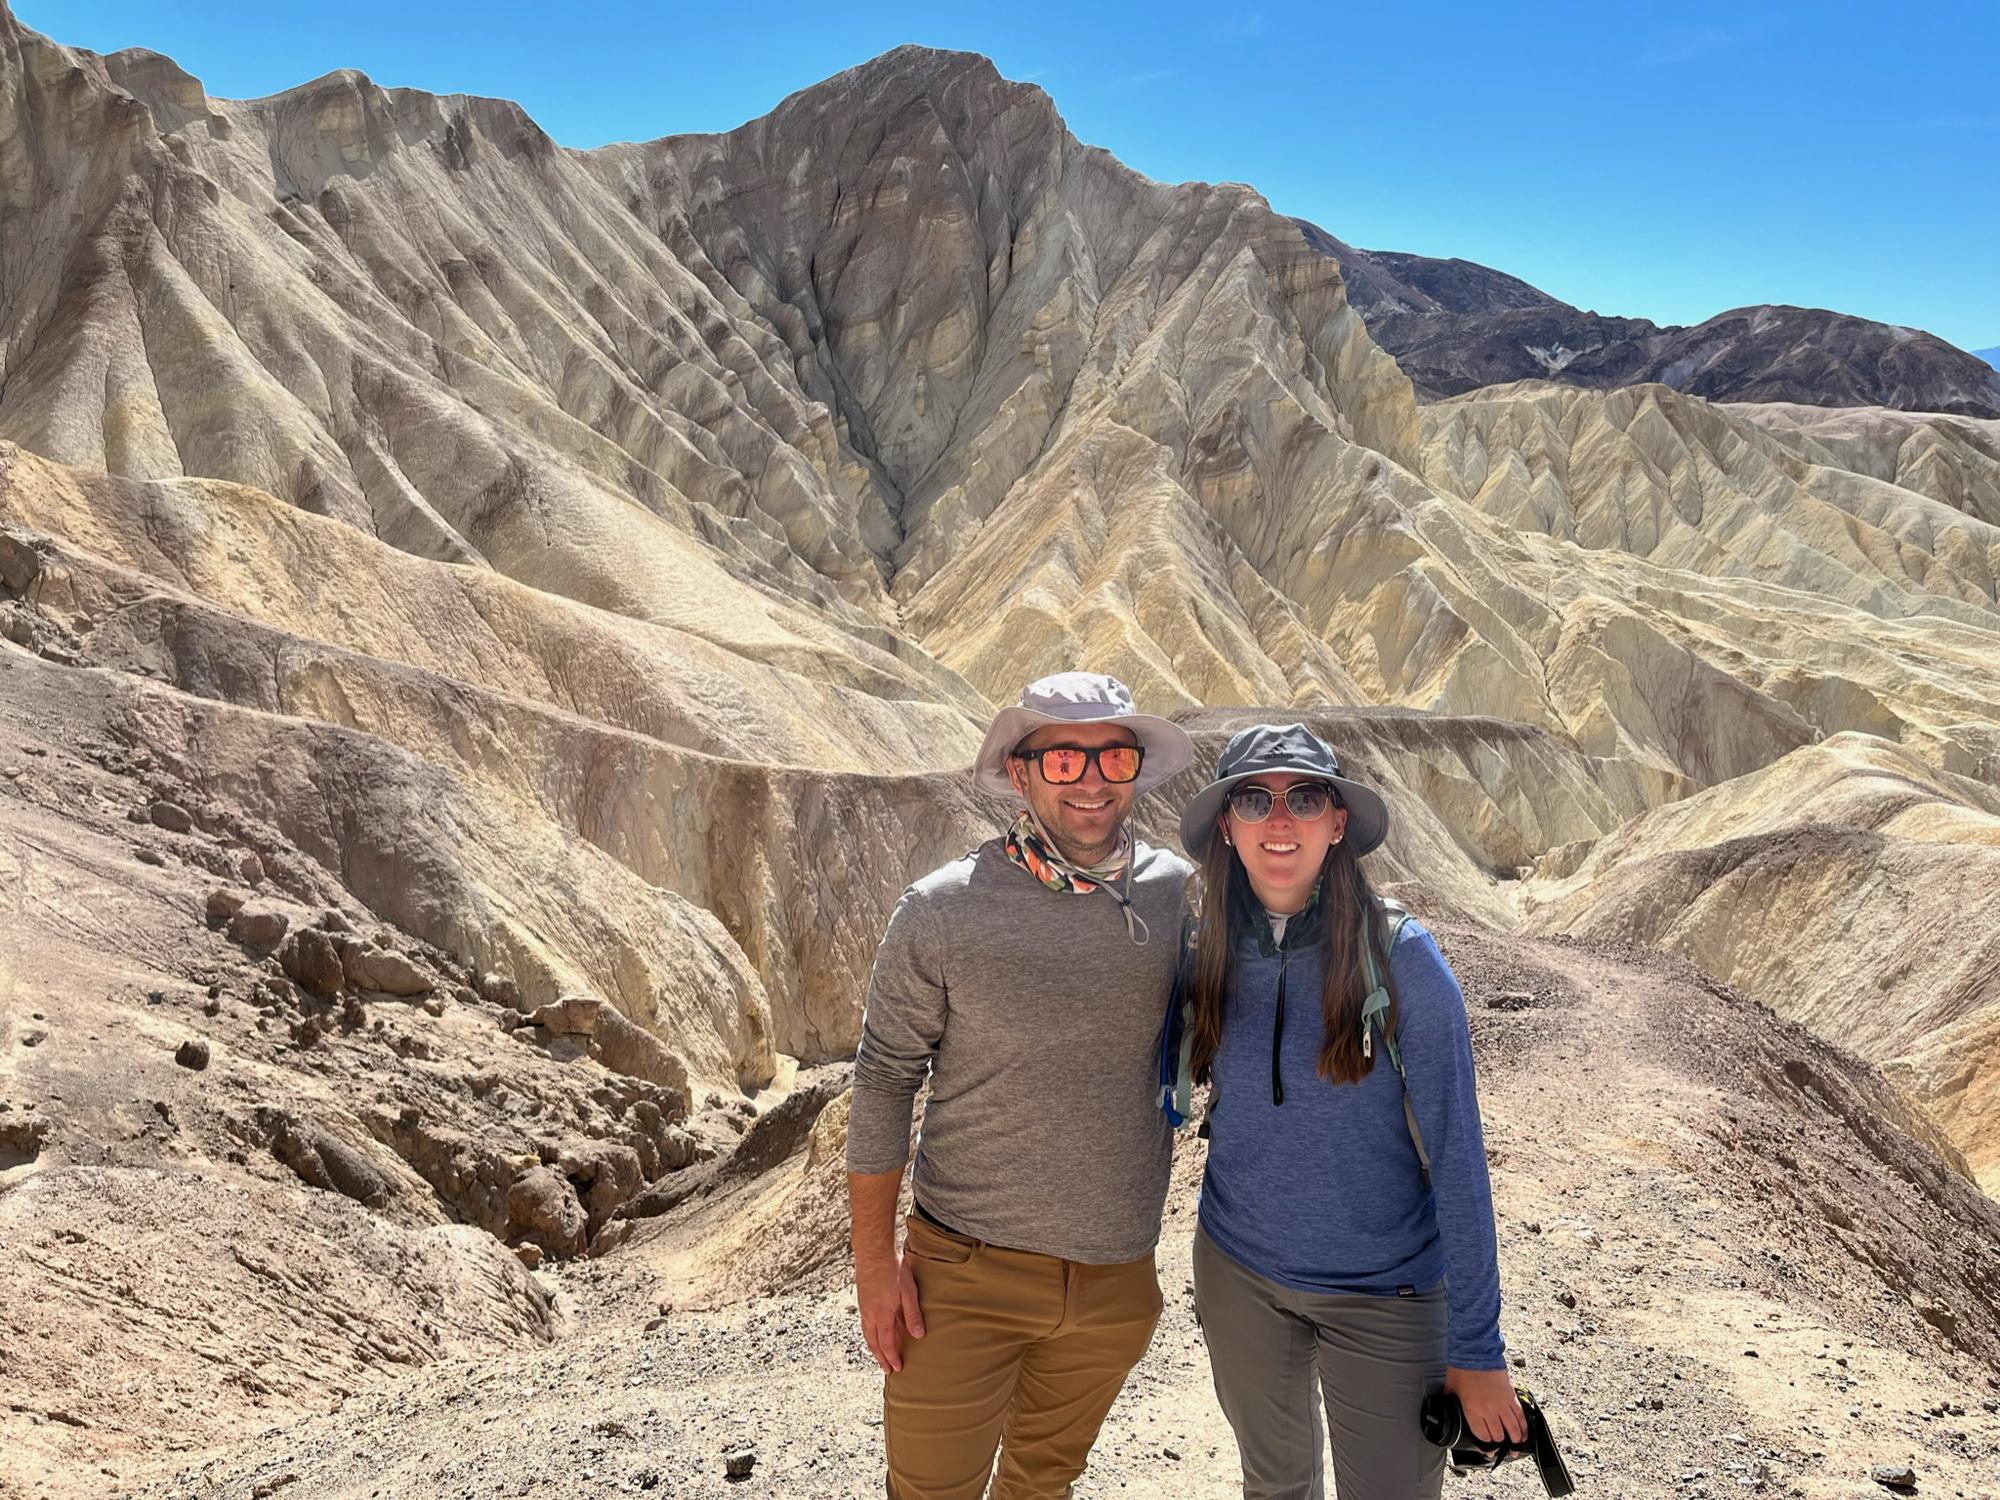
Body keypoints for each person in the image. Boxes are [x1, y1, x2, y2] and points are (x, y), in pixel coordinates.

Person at [846, 671, 1197, 1500]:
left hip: (1115, 1282)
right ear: (1020, 772)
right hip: (961, 1281)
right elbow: (885, 1080)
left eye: (1113, 757)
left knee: (1043, 1488)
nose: (1091, 780)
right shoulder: (940, 910)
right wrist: (873, 1266)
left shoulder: (1178, 895)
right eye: (1064, 759)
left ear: (1136, 770)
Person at [1166, 722, 1523, 1500]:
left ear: (1338, 824)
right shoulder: (1207, 951)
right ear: (1227, 827)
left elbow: (1459, 1160)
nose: (1280, 820)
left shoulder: (1403, 959)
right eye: (1254, 799)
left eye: (1306, 796)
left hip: (1385, 1296)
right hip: (1238, 1274)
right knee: (1275, 1488)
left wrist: (1479, 1349)